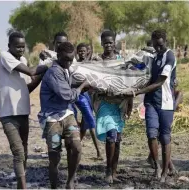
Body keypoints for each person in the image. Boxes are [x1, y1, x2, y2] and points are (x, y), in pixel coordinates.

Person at [121, 29, 176, 182]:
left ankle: (165, 171)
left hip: (165, 103)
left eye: (160, 45)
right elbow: (141, 68)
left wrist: (136, 92)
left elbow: (159, 82)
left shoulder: (169, 56)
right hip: (151, 102)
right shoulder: (153, 57)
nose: (157, 48)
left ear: (165, 42)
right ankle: (157, 167)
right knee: (151, 134)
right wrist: (130, 66)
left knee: (165, 138)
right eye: (155, 45)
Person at [0, 31, 48, 189]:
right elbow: (32, 71)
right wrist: (48, 64)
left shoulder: (24, 59)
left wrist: (43, 73)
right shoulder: (4, 57)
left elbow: (28, 87)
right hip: (8, 114)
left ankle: (21, 183)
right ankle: (23, 186)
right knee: (18, 151)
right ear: (9, 46)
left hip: (23, 112)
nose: (20, 49)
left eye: (22, 47)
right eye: (17, 47)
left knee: (24, 149)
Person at [38, 42, 90, 189]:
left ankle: (70, 181)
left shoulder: (65, 69)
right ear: (58, 56)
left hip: (66, 114)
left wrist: (83, 87)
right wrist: (82, 87)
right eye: (65, 59)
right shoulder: (54, 72)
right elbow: (67, 95)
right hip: (52, 118)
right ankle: (54, 185)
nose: (68, 62)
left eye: (70, 59)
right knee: (54, 156)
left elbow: (69, 88)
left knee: (77, 147)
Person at [91, 30, 132, 184]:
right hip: (104, 103)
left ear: (114, 43)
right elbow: (92, 81)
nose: (108, 45)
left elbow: (129, 83)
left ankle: (114, 171)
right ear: (101, 43)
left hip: (120, 104)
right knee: (111, 135)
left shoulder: (122, 61)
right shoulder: (97, 61)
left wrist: (129, 106)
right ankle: (108, 170)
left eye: (111, 42)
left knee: (118, 139)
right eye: (105, 42)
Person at [73, 43, 102, 159]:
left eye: (84, 51)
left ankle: (97, 151)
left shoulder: (91, 64)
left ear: (87, 52)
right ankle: (97, 151)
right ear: (77, 52)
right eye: (80, 51)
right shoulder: (74, 64)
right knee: (88, 122)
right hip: (78, 94)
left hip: (87, 95)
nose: (82, 53)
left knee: (88, 122)